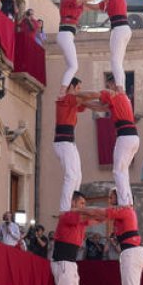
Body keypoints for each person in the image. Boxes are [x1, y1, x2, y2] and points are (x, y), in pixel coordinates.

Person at [51, 192, 103, 285]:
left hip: (71, 261)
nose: (83, 207)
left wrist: (110, 213)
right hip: (62, 260)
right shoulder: (68, 216)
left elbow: (97, 219)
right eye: (81, 203)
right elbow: (89, 214)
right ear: (73, 203)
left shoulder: (80, 219)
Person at [88, 73, 139, 206]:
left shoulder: (113, 94)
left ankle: (123, 203)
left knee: (117, 171)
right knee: (123, 171)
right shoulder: (123, 98)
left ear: (113, 84)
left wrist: (78, 97)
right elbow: (100, 107)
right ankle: (128, 201)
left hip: (125, 136)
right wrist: (84, 104)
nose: (107, 87)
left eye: (108, 85)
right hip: (133, 137)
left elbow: (95, 95)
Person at [54, 78, 98, 211]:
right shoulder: (66, 98)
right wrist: (103, 94)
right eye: (78, 88)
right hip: (63, 142)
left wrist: (109, 105)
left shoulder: (72, 102)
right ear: (71, 87)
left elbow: (91, 104)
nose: (79, 91)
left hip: (69, 142)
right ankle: (65, 209)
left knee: (78, 175)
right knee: (71, 176)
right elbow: (88, 96)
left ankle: (74, 204)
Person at [106, 189, 143, 285]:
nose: (109, 201)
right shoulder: (121, 216)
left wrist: (80, 212)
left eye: (111, 197)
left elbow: (101, 214)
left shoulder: (125, 211)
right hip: (131, 251)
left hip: (131, 252)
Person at [82, 0, 132, 87]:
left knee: (115, 61)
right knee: (118, 62)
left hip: (119, 28)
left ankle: (120, 88)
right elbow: (96, 7)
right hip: (123, 28)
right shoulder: (108, 1)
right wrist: (84, 3)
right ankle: (121, 87)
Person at [56, 0, 102, 97]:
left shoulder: (78, 4)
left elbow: (95, 7)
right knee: (73, 66)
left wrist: (106, 0)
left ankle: (67, 90)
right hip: (65, 34)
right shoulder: (66, 0)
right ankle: (62, 91)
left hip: (67, 35)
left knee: (71, 67)